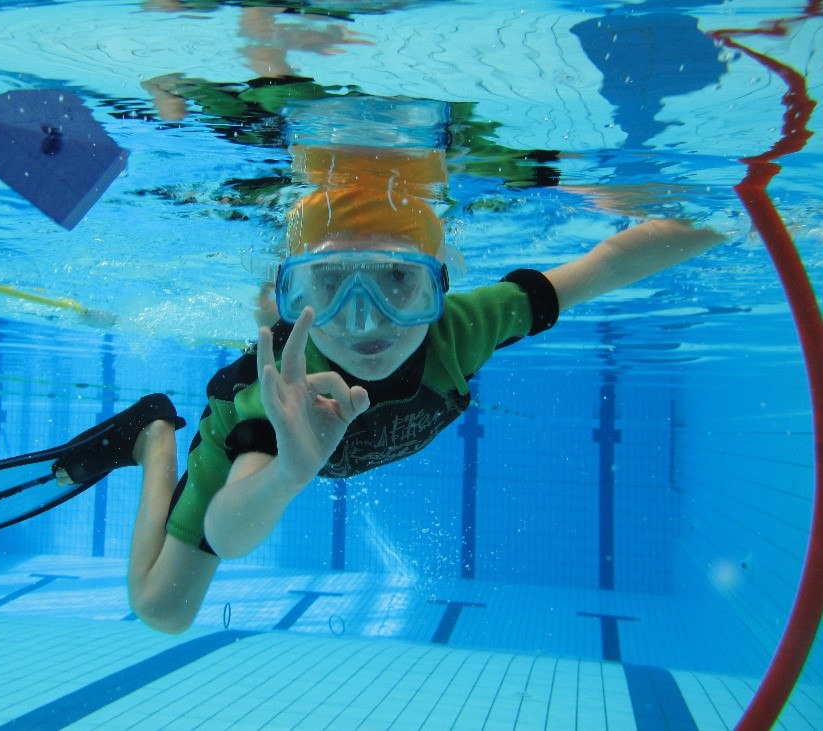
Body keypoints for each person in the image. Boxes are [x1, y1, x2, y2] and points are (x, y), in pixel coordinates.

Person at [52, 144, 725, 634]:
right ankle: (156, 436)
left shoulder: (465, 328)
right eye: (331, 286)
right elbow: (226, 533)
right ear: (296, 295)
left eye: (397, 280)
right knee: (162, 610)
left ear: (439, 284)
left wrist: (732, 219)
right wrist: (286, 472)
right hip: (249, 447)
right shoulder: (281, 391)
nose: (365, 320)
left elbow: (604, 264)